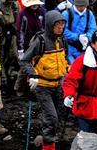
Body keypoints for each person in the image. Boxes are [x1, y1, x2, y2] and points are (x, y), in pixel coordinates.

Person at [20, 10, 69, 150]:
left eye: (62, 24)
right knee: (52, 117)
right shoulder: (40, 41)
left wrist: (68, 72)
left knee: (54, 117)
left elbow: (65, 60)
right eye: (57, 24)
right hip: (42, 85)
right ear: (49, 25)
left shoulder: (63, 40)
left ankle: (46, 141)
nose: (60, 27)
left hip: (57, 84)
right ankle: (48, 146)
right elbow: (24, 61)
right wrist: (33, 75)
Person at [62, 0, 97, 64]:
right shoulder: (66, 14)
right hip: (69, 48)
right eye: (79, 6)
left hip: (84, 49)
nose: (81, 8)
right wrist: (78, 37)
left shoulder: (89, 14)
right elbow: (63, 31)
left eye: (83, 6)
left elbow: (93, 29)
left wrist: (87, 37)